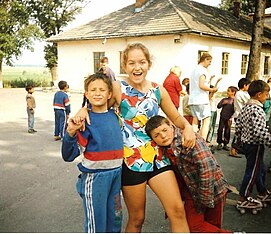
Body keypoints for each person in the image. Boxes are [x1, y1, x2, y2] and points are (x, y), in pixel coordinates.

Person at [74, 42, 195, 232]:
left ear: (148, 64)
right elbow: (98, 104)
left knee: (178, 210)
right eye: (131, 63)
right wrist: (83, 109)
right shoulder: (117, 87)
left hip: (158, 159)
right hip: (130, 162)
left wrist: (188, 126)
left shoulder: (158, 90)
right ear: (125, 65)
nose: (137, 67)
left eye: (142, 62)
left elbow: (176, 117)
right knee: (137, 218)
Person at [145, 115, 229, 233]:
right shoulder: (162, 148)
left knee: (212, 225)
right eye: (156, 135)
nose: (163, 136)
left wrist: (204, 201)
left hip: (214, 190)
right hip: (191, 192)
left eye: (164, 130)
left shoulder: (187, 139)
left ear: (171, 126)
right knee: (192, 227)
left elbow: (207, 168)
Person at [61, 72, 123, 233]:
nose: (97, 93)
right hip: (96, 178)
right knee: (96, 224)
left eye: (102, 90)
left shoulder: (115, 115)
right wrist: (70, 132)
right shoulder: (85, 120)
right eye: (93, 90)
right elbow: (68, 155)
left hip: (116, 175)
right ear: (86, 94)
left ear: (109, 94)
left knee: (115, 221)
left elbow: (117, 85)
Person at [235, 80, 271, 211]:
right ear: (259, 94)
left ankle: (262, 192)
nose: (267, 98)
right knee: (252, 172)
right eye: (266, 95)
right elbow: (260, 131)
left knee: (260, 169)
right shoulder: (257, 110)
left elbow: (238, 126)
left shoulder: (246, 107)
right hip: (255, 145)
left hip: (248, 144)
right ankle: (243, 197)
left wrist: (241, 138)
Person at [188, 53, 218, 139]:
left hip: (193, 99)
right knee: (206, 120)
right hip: (201, 99)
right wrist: (212, 90)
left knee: (195, 121)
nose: (210, 64)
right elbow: (201, 85)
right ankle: (203, 141)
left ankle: (193, 140)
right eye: (209, 61)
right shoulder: (203, 70)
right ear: (205, 60)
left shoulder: (194, 70)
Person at [229, 78, 251, 157]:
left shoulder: (243, 93)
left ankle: (237, 148)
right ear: (244, 85)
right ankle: (233, 150)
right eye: (248, 85)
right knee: (238, 133)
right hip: (240, 115)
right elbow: (249, 101)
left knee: (241, 133)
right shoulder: (240, 93)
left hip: (241, 115)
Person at [216, 86, 238, 151]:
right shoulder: (225, 99)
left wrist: (232, 117)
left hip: (229, 118)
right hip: (222, 117)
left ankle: (225, 143)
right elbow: (218, 106)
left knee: (227, 131)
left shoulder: (235, 101)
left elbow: (236, 109)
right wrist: (222, 103)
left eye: (229, 91)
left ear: (233, 92)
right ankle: (219, 143)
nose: (227, 92)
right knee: (220, 130)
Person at [206, 77, 222, 144]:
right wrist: (217, 82)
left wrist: (212, 80)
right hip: (210, 111)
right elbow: (213, 90)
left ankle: (209, 139)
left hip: (214, 111)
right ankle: (207, 139)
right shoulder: (208, 96)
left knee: (212, 126)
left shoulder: (211, 96)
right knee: (209, 126)